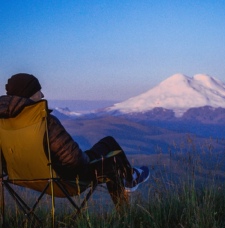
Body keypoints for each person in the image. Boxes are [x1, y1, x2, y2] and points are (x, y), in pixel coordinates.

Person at [0, 73, 149, 207]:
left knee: (107, 143)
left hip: (25, 178)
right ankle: (128, 195)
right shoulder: (44, 121)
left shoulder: (3, 123)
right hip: (65, 180)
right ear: (30, 94)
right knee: (111, 159)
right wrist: (90, 158)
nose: (42, 94)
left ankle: (130, 176)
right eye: (39, 90)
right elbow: (74, 161)